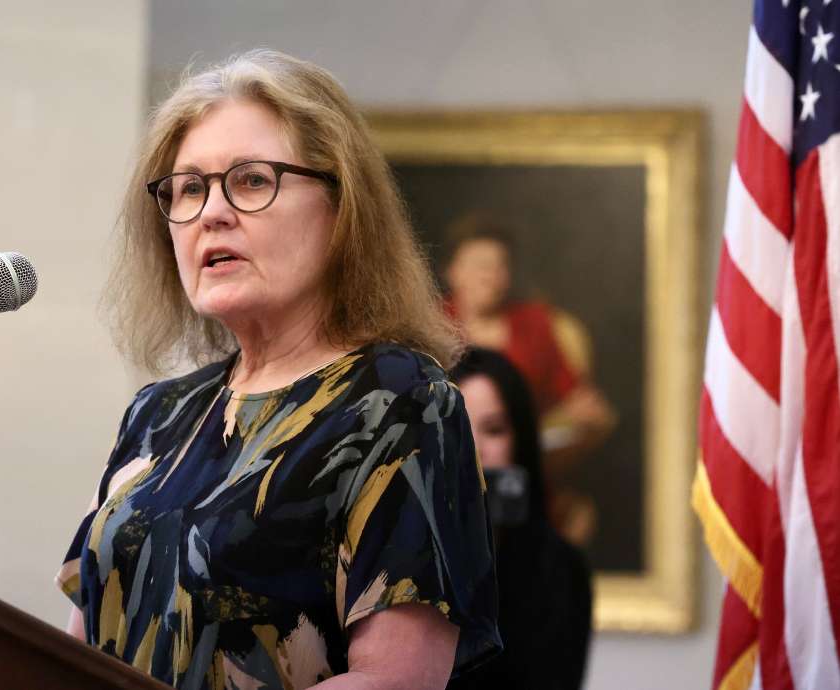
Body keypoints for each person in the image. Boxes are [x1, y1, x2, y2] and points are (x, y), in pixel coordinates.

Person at [55, 50, 500, 690]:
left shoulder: (401, 403)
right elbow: (75, 652)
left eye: (252, 180)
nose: (211, 212)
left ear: (341, 209)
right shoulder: (157, 417)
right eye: (187, 188)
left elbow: (397, 682)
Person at [442, 213, 616, 546]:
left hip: (524, 476)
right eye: (480, 265)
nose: (491, 276)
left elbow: (580, 403)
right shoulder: (428, 324)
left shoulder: (535, 323)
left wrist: (576, 416)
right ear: (453, 271)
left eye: (499, 266)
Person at [448, 348, 593, 690]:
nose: (474, 448)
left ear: (520, 441)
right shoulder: (395, 559)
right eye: (456, 427)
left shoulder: (561, 568)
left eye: (494, 430)